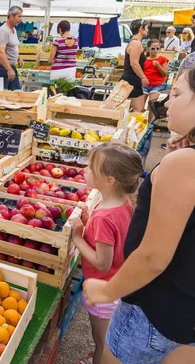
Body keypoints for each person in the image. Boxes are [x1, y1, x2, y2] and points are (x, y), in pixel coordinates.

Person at [84, 66, 195, 364]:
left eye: (177, 94)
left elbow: (153, 257)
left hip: (157, 310)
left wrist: (108, 290)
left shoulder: (184, 165)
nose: (167, 103)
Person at [71, 143, 143, 364]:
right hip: (118, 282)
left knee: (101, 339)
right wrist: (88, 223)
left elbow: (102, 262)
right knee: (106, 337)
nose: (85, 170)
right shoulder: (122, 203)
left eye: (91, 168)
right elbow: (113, 239)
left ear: (110, 180)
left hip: (104, 288)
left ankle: (100, 358)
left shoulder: (104, 217)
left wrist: (78, 238)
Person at [0, 6, 24, 90]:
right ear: (11, 16)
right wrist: (9, 70)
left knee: (16, 94)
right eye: (19, 16)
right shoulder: (3, 31)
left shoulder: (13, 29)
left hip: (10, 67)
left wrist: (18, 57)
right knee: (1, 97)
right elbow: (0, 52)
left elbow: (12, 46)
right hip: (2, 69)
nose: (21, 19)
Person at [121, 19, 149, 112]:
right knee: (137, 109)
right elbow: (134, 63)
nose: (148, 30)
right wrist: (143, 78)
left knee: (127, 109)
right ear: (141, 28)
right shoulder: (136, 43)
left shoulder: (133, 42)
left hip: (130, 79)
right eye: (147, 28)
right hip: (132, 80)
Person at [143, 38, 168, 122]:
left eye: (158, 48)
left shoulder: (162, 59)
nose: (155, 50)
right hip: (145, 85)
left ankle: (149, 123)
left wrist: (158, 66)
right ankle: (141, 122)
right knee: (140, 106)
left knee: (151, 105)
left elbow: (164, 74)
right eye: (153, 48)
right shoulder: (144, 60)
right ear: (148, 49)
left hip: (156, 85)